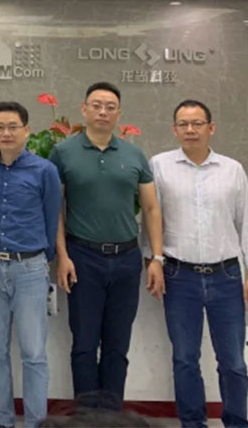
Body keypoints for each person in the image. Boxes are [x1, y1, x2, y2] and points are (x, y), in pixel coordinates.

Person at [49, 82, 165, 404]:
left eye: (110, 107)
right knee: (84, 345)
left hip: (126, 260)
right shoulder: (63, 153)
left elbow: (151, 208)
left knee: (117, 346)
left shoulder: (134, 154)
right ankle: (87, 418)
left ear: (119, 114)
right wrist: (62, 255)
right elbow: (56, 209)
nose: (103, 112)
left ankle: (112, 417)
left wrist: (156, 258)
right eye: (96, 105)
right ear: (84, 109)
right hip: (82, 258)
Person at [151, 100, 248, 428]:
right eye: (183, 124)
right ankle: (193, 423)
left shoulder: (232, 169)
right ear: (174, 129)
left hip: (225, 275)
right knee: (185, 359)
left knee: (233, 361)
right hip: (178, 275)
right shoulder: (159, 166)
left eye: (197, 123)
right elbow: (151, 218)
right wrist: (152, 260)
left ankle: (237, 422)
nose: (190, 130)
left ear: (211, 128)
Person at [0, 102, 61, 428]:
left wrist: (44, 261)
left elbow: (52, 218)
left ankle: (36, 423)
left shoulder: (45, 170)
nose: (6, 133)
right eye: (0, 127)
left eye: (13, 126)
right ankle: (3, 420)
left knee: (33, 353)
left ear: (26, 130)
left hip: (30, 268)